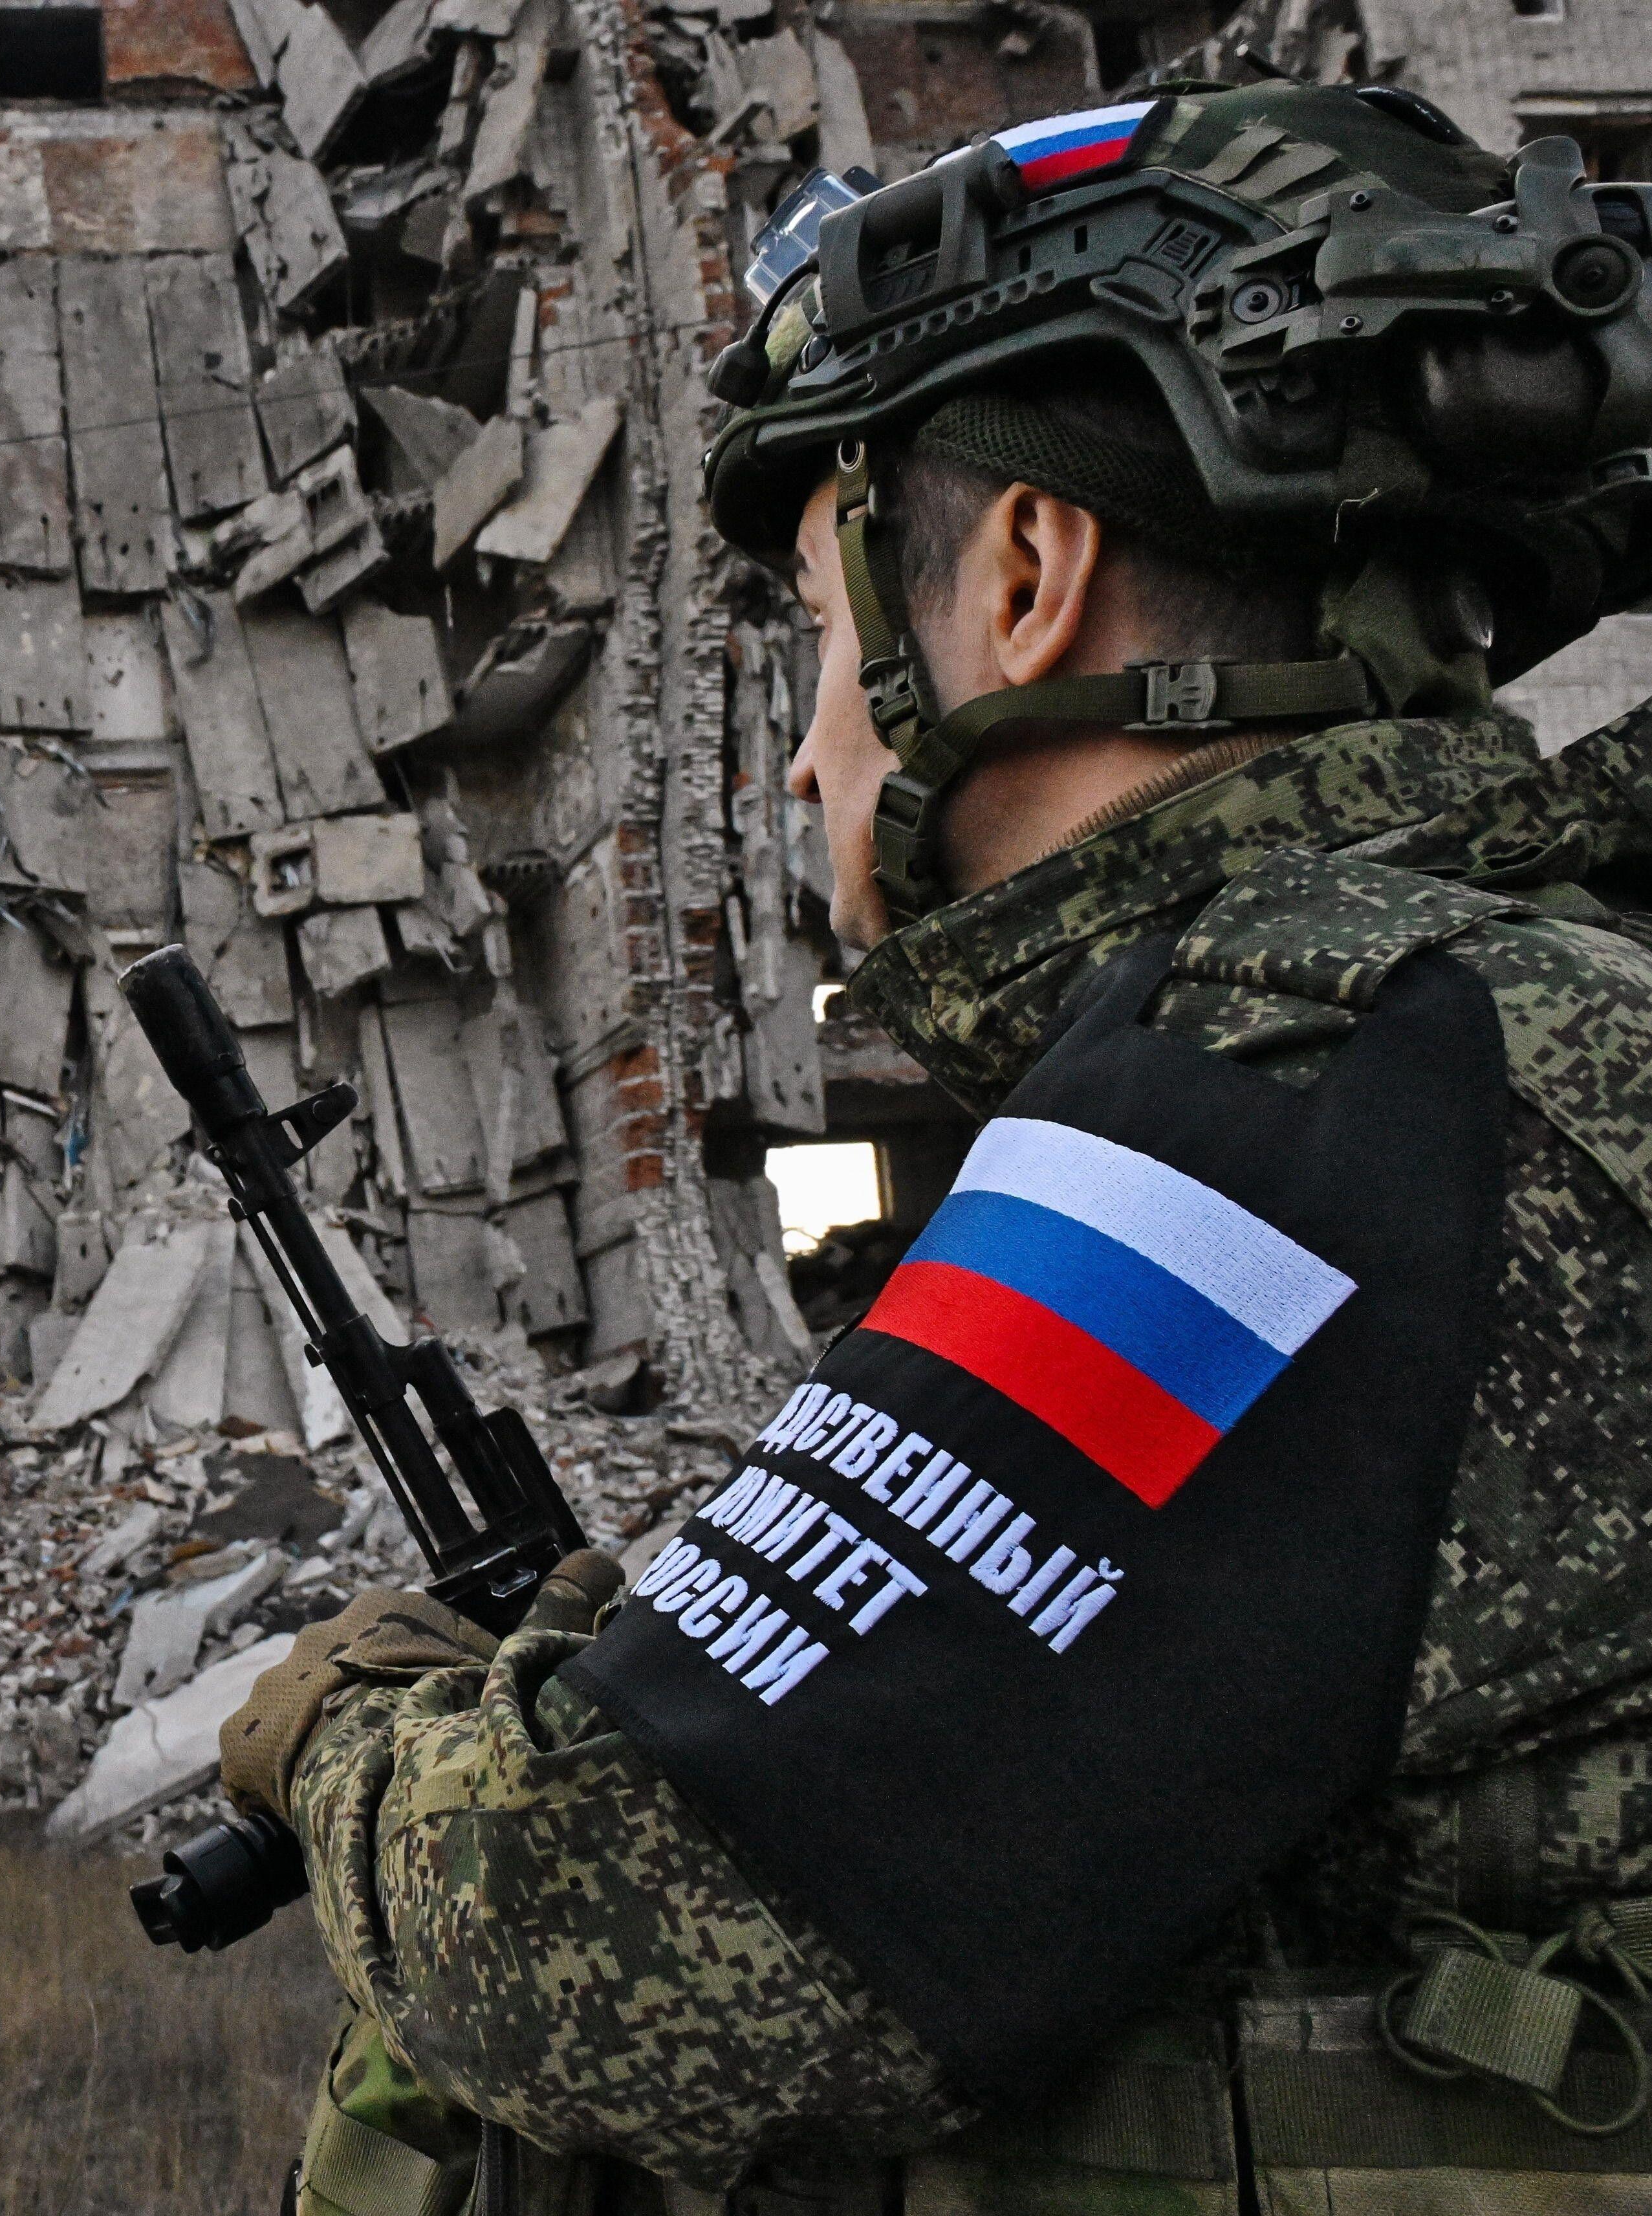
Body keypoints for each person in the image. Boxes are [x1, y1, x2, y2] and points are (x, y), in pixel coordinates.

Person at [221, 79, 1652, 2214]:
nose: (805, 748)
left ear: (1024, 573)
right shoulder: (1534, 1012)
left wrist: (333, 1718)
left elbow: (583, 1926)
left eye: (817, 630)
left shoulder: (1295, 1077)